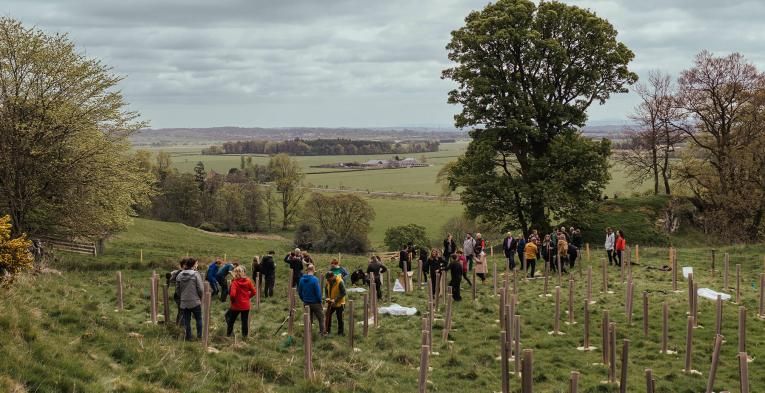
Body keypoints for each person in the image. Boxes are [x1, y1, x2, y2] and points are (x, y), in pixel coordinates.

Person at [176, 258, 204, 341]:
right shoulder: (196, 274)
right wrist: (200, 297)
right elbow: (201, 289)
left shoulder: (180, 275)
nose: (197, 265)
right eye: (196, 264)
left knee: (187, 320)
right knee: (198, 319)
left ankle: (189, 337)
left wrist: (182, 297)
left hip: (184, 302)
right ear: (193, 265)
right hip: (195, 301)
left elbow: (177, 290)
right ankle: (199, 337)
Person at [226, 266, 257, 338]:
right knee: (244, 322)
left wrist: (233, 301)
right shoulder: (248, 281)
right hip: (245, 305)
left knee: (231, 321)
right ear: (243, 273)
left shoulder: (235, 282)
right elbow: (254, 292)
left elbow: (232, 295)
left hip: (236, 306)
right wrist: (247, 297)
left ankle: (228, 335)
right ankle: (244, 336)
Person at [298, 264, 325, 336]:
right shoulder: (315, 279)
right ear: (313, 270)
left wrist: (303, 299)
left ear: (307, 271)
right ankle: (322, 333)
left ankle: (308, 334)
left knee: (308, 319)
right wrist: (320, 301)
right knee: (321, 318)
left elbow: (299, 292)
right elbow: (318, 292)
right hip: (316, 303)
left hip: (306, 302)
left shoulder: (301, 280)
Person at [323, 271, 346, 336]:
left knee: (340, 318)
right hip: (331, 303)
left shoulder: (340, 282)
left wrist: (335, 300)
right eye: (327, 279)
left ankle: (340, 333)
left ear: (332, 277)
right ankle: (327, 330)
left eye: (329, 279)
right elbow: (326, 289)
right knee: (328, 315)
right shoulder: (328, 281)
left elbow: (343, 292)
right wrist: (327, 297)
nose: (328, 281)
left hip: (340, 303)